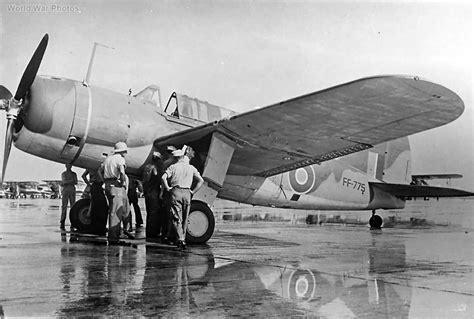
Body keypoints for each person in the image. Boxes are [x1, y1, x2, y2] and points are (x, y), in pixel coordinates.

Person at [161, 145, 204, 250]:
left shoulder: (173, 167)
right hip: (187, 193)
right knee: (185, 217)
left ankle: (181, 239)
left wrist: (167, 188)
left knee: (176, 217)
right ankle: (182, 237)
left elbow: (163, 177)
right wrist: (193, 191)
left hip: (176, 192)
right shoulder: (191, 168)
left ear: (176, 158)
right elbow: (201, 181)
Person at [98, 141, 130, 244]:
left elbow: (99, 171)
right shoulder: (120, 159)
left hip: (108, 185)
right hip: (116, 185)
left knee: (112, 209)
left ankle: (115, 233)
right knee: (116, 211)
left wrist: (104, 180)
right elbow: (122, 172)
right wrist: (122, 182)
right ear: (122, 151)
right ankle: (113, 236)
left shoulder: (108, 159)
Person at [142, 151, 164, 241]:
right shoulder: (155, 168)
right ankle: (153, 232)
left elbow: (144, 181)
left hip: (147, 192)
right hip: (154, 192)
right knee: (154, 212)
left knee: (149, 212)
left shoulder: (147, 167)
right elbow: (157, 179)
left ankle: (149, 231)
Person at [82, 168, 108, 235]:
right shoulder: (101, 167)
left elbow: (83, 176)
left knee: (95, 207)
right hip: (98, 186)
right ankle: (100, 227)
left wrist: (88, 184)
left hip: (93, 186)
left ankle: (95, 227)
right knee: (103, 207)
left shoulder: (90, 166)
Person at [60, 164, 78, 229]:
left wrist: (67, 182)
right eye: (68, 165)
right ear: (66, 166)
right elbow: (64, 182)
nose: (68, 167)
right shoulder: (64, 174)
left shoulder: (74, 174)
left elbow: (76, 182)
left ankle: (73, 221)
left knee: (72, 206)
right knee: (64, 206)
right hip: (66, 190)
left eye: (69, 165)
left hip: (71, 190)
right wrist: (71, 181)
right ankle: (62, 221)